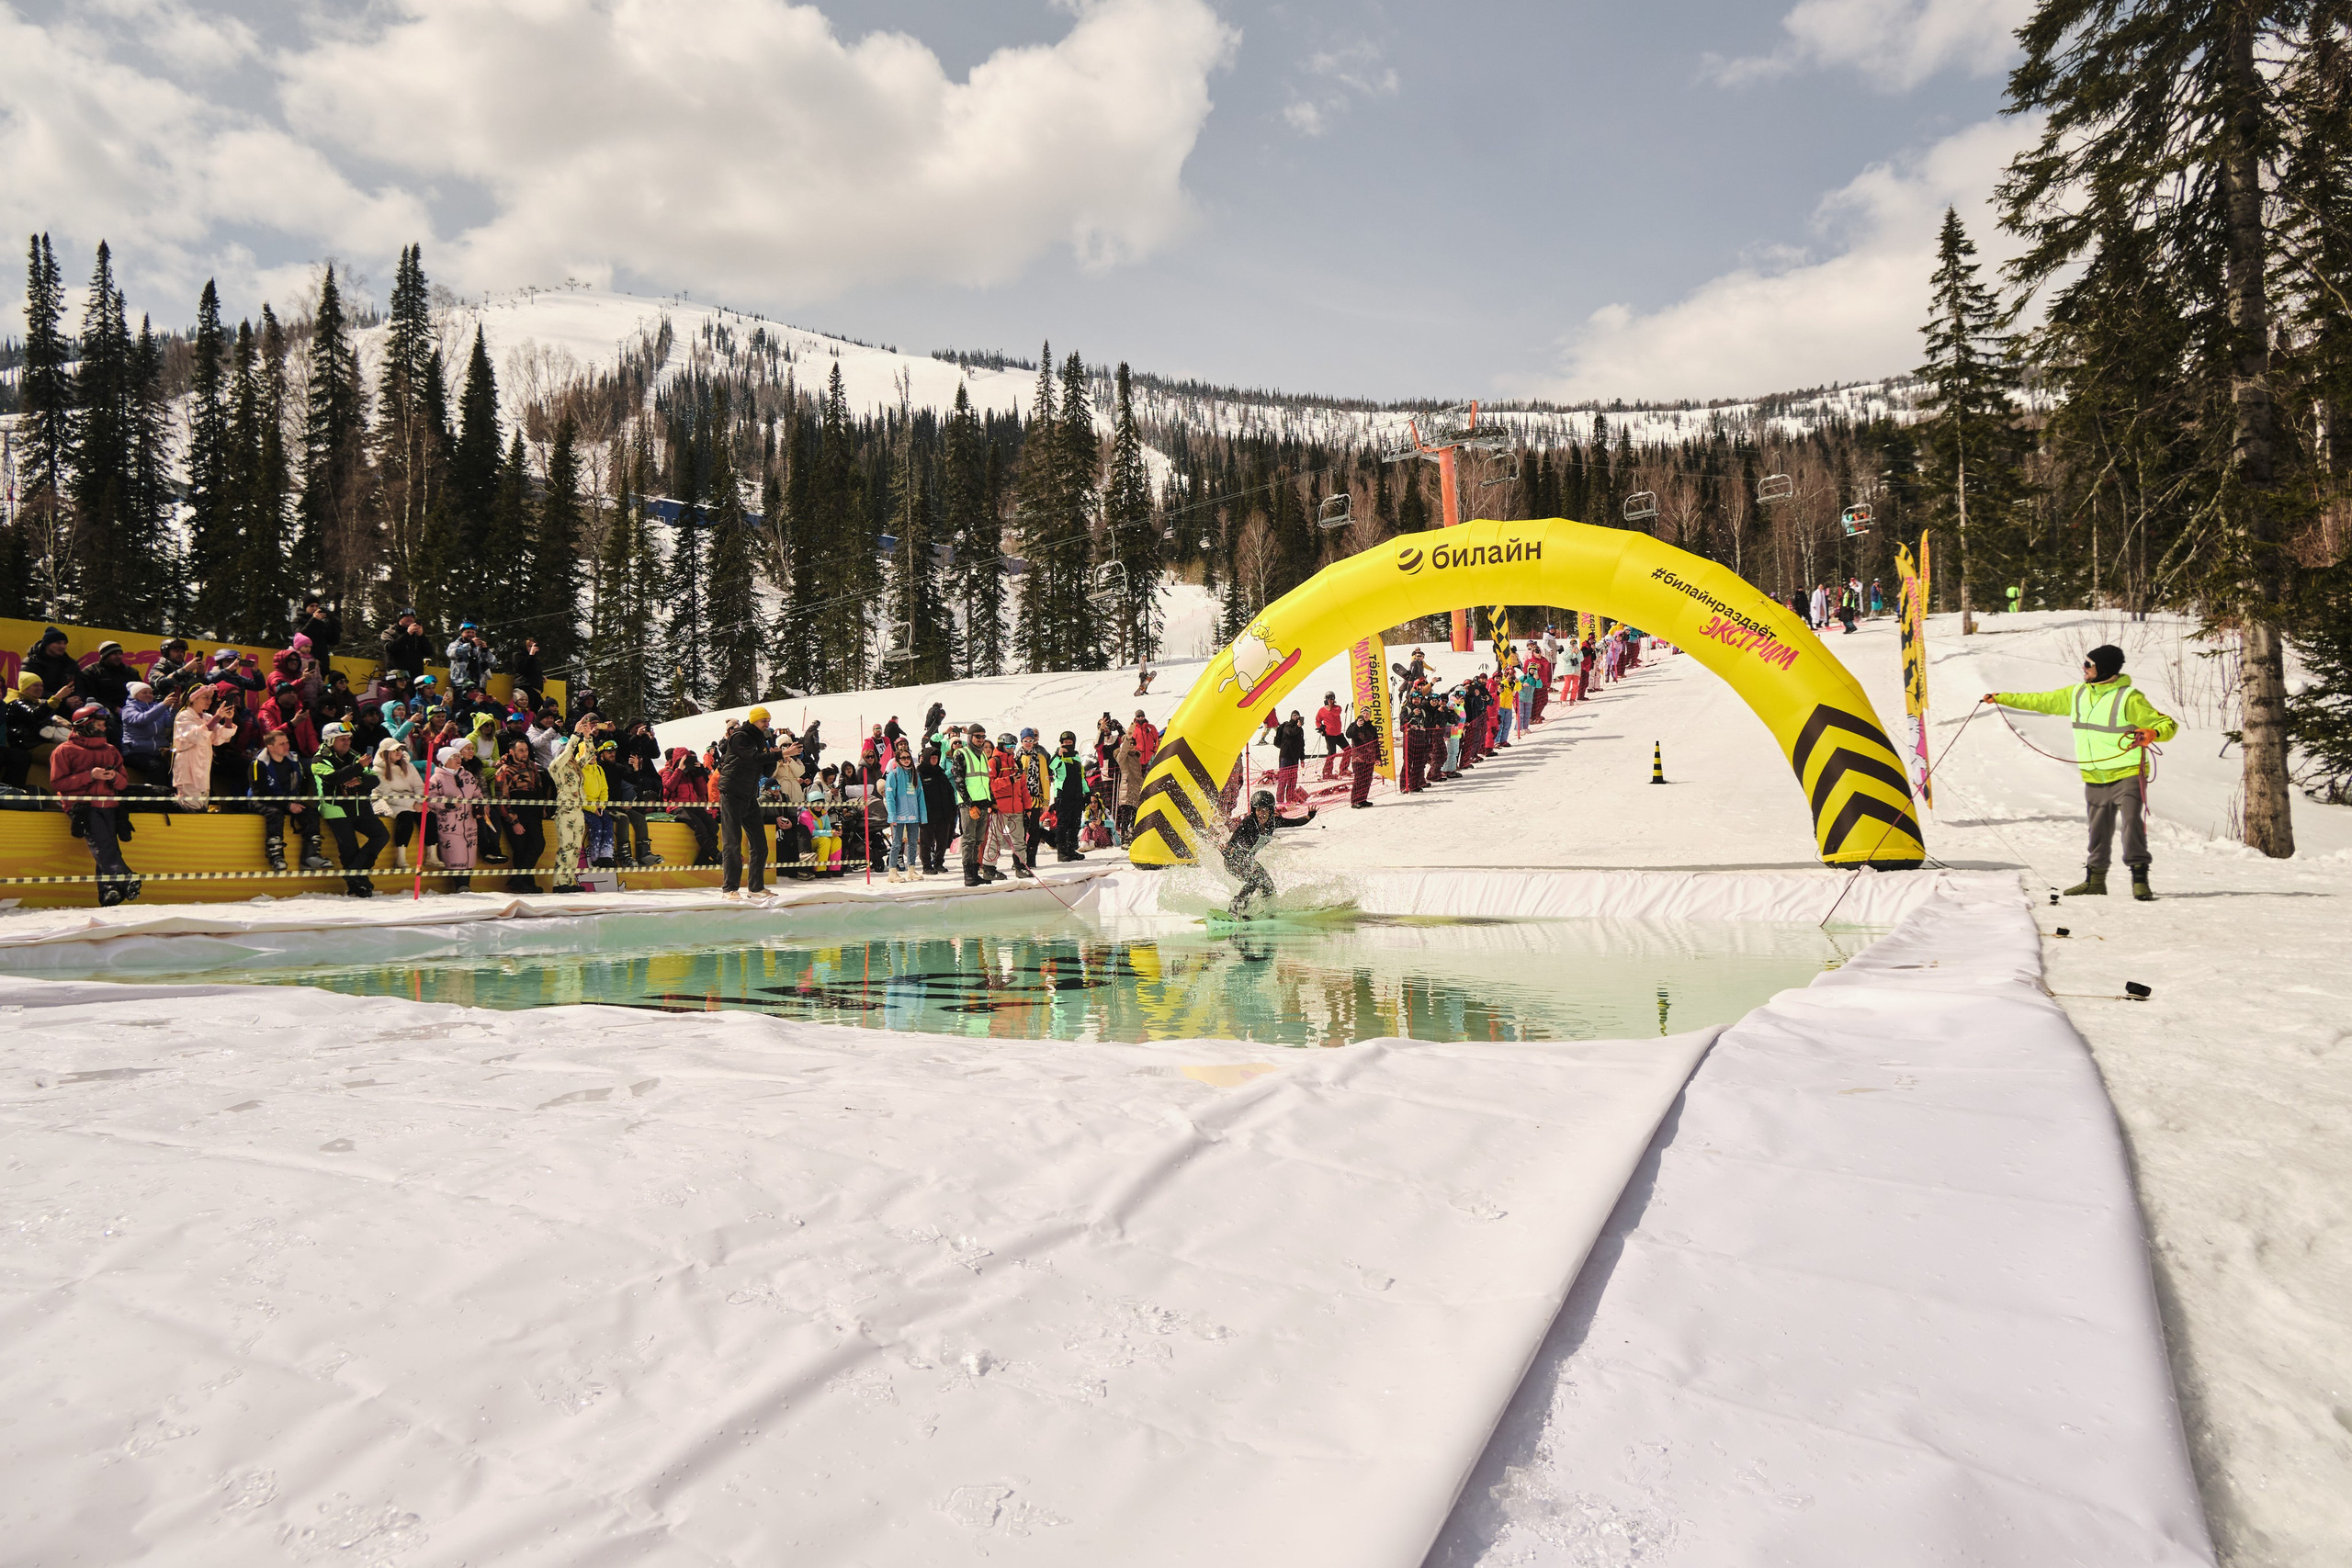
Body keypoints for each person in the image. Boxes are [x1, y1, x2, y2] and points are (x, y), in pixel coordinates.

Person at [1982, 644, 2180, 900]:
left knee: (2132, 825)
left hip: (2128, 772)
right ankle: (2095, 881)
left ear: (2104, 669)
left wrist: (2153, 733)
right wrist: (2002, 697)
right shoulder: (2077, 694)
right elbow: (2040, 701)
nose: (2083, 668)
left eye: (2089, 664)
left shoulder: (2129, 698)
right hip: (2094, 775)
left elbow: (2166, 724)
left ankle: (2139, 879)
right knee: (2098, 831)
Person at [49, 705, 142, 905]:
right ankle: (125, 879)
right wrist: (90, 775)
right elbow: (58, 784)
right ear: (85, 725)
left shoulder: (111, 750)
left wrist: (114, 777)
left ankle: (109, 892)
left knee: (108, 848)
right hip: (82, 806)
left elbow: (123, 783)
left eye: (103, 725)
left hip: (110, 805)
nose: (104, 728)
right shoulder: (64, 751)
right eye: (99, 725)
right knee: (103, 845)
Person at [311, 722, 389, 897]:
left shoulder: (355, 756)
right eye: (342, 739)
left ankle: (354, 873)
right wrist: (358, 768)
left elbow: (374, 780)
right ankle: (358, 885)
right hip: (336, 808)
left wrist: (361, 780)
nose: (347, 743)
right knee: (349, 848)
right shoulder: (319, 760)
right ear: (330, 741)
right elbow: (335, 778)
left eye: (348, 739)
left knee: (381, 835)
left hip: (360, 806)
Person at [1219, 788, 1315, 919]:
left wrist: (1309, 816)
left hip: (1248, 861)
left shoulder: (1274, 822)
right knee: (1255, 879)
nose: (1261, 814)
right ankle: (1235, 908)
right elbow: (1232, 842)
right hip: (1233, 860)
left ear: (1270, 810)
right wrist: (1227, 852)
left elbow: (1296, 822)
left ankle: (1262, 912)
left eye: (1265, 810)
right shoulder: (1248, 822)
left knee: (1268, 886)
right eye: (1258, 810)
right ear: (1254, 811)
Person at [717, 707, 779, 897]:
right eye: (763, 720)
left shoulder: (760, 740)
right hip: (732, 793)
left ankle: (756, 888)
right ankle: (730, 888)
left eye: (768, 720)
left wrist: (774, 755)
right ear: (753, 721)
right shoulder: (740, 736)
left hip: (749, 795)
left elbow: (766, 771)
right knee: (732, 843)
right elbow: (752, 758)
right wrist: (780, 755)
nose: (767, 724)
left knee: (760, 844)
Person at [493, 739, 552, 893]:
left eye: (526, 750)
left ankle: (517, 879)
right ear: (512, 752)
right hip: (516, 812)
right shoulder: (503, 771)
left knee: (538, 844)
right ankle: (526, 884)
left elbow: (539, 786)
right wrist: (513, 821)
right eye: (521, 750)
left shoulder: (531, 765)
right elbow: (501, 799)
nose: (525, 753)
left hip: (533, 810)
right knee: (520, 849)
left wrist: (542, 807)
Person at [170, 682, 238, 809]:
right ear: (193, 699)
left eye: (211, 698)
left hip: (203, 766)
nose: (209, 701)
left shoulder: (207, 717)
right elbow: (195, 736)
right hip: (188, 765)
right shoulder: (183, 715)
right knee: (192, 806)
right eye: (205, 697)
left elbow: (220, 737)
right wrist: (218, 716)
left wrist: (228, 718)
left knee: (203, 805)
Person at [427, 743, 483, 893]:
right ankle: (461, 885)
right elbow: (430, 798)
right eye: (454, 757)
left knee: (469, 853)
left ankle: (466, 885)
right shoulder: (437, 778)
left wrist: (479, 805)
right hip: (450, 823)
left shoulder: (468, 775)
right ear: (445, 760)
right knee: (455, 853)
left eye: (459, 756)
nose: (458, 759)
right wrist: (448, 802)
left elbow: (477, 793)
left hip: (469, 821)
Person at [547, 719, 593, 893]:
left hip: (578, 811)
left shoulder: (576, 767)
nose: (570, 754)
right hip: (564, 812)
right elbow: (566, 753)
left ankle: (570, 881)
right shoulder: (555, 767)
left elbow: (590, 754)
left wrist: (587, 737)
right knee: (565, 847)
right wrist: (575, 734)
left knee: (576, 849)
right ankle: (559, 884)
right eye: (564, 750)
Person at [369, 737, 425, 871]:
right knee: (405, 816)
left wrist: (420, 802)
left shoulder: (409, 766)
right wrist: (413, 804)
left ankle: (432, 855)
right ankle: (400, 857)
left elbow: (419, 786)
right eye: (394, 750)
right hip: (386, 801)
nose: (399, 752)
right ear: (385, 753)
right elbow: (388, 795)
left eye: (400, 749)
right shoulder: (377, 770)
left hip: (410, 799)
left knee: (428, 816)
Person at [954, 724, 999, 885]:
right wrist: (969, 804)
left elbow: (986, 782)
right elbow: (959, 781)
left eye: (983, 737)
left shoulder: (983, 756)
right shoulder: (962, 753)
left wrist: (992, 801)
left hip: (983, 803)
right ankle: (968, 874)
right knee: (969, 839)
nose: (981, 739)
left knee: (978, 840)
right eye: (978, 736)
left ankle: (975, 872)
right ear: (970, 737)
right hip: (969, 805)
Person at [987, 731, 1034, 878]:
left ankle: (1021, 867)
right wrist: (1010, 780)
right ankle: (989, 868)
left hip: (1016, 808)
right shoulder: (994, 762)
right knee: (995, 839)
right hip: (1000, 808)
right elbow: (991, 784)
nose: (1011, 748)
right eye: (1008, 746)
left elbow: (1023, 787)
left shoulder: (1016, 762)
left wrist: (1027, 807)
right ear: (1001, 745)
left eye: (1013, 746)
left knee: (1019, 841)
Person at [882, 736, 926, 882]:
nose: (906, 760)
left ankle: (911, 870)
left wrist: (922, 815)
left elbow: (920, 796)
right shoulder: (893, 774)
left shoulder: (915, 774)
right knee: (896, 843)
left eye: (908, 758)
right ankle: (892, 872)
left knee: (913, 843)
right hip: (899, 815)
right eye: (903, 758)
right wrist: (892, 815)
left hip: (913, 814)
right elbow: (890, 797)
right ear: (898, 759)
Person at [118, 682, 174, 789]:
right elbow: (141, 720)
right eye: (144, 692)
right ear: (135, 695)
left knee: (172, 766)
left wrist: (174, 709)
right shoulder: (128, 709)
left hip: (157, 751)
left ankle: (172, 794)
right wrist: (163, 705)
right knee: (157, 767)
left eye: (150, 693)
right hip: (135, 751)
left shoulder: (157, 706)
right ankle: (156, 795)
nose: (148, 695)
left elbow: (170, 723)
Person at [1047, 731, 1089, 862]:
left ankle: (1071, 849)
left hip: (1076, 795)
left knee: (1075, 823)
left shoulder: (1076, 757)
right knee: (1063, 824)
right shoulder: (1058, 757)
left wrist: (1087, 792)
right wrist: (1058, 755)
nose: (1068, 745)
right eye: (1065, 743)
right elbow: (1051, 766)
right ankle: (1062, 851)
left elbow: (1081, 776)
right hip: (1063, 795)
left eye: (1070, 743)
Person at [917, 742, 957, 874]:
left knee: (942, 840)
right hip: (927, 814)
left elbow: (950, 792)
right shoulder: (920, 774)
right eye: (932, 757)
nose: (934, 759)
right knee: (926, 842)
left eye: (936, 757)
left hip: (943, 813)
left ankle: (939, 862)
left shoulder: (941, 774)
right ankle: (926, 865)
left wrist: (952, 809)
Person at [1114, 724, 1144, 844]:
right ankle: (1124, 837)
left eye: (1133, 743)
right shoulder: (1122, 757)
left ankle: (1132, 834)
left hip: (1137, 788)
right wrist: (1128, 737)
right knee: (1126, 814)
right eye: (1129, 743)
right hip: (1127, 788)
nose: (1131, 745)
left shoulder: (1136, 758)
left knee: (1135, 813)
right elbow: (1124, 750)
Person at [1345, 710, 1379, 808]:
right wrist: (1357, 726)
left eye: (1367, 713)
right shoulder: (1354, 725)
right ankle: (1355, 801)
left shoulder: (1372, 728)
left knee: (1367, 779)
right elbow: (1348, 734)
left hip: (1369, 758)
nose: (1365, 715)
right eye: (1363, 713)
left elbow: (1376, 743)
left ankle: (1363, 799)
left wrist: (1378, 757)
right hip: (1358, 758)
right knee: (1359, 779)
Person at [1316, 692, 1345, 778]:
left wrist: (1329, 708)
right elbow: (1317, 720)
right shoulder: (1321, 710)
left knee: (1348, 749)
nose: (1330, 700)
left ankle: (1343, 769)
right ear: (1326, 699)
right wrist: (1321, 728)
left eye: (1332, 698)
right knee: (1332, 753)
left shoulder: (1337, 708)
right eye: (1328, 698)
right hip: (1329, 735)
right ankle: (1327, 772)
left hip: (1338, 734)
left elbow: (1336, 713)